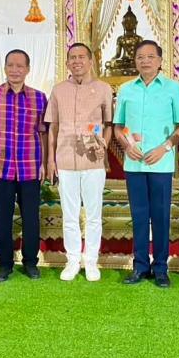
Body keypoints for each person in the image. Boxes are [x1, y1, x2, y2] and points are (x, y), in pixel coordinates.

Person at [114, 40, 179, 288]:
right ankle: (140, 266)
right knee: (138, 216)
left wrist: (164, 148)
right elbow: (118, 127)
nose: (145, 61)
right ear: (135, 61)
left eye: (150, 57)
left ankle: (161, 268)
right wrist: (127, 146)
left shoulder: (173, 88)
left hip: (161, 164)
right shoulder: (126, 89)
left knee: (160, 216)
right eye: (140, 57)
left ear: (160, 60)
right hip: (134, 164)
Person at [0, 49, 47, 283]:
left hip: (30, 167)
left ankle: (30, 262)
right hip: (1, 168)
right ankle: (4, 264)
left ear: (28, 69)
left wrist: (44, 163)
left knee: (31, 218)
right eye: (10, 65)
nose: (15, 70)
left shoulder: (39, 98)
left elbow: (43, 133)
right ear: (5, 67)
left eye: (20, 66)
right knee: (3, 218)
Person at [45, 43, 113, 282]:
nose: (77, 61)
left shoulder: (103, 89)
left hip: (93, 161)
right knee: (69, 214)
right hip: (65, 160)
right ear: (67, 63)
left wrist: (104, 144)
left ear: (91, 61)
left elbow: (109, 125)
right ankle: (73, 260)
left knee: (94, 214)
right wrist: (51, 159)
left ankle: (91, 261)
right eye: (72, 57)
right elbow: (52, 127)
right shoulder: (58, 90)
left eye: (81, 57)